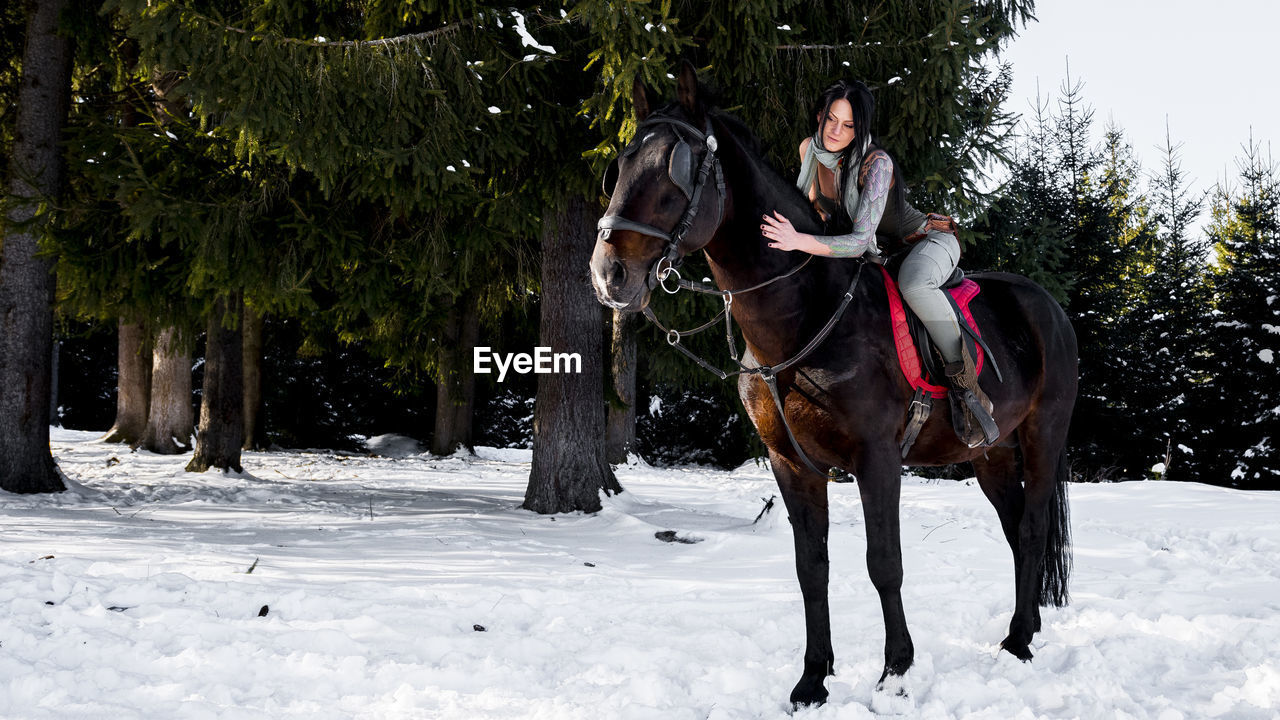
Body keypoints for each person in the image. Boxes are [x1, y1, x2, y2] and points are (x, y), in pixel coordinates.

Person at [759, 79, 998, 448]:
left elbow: (856, 242)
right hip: (879, 255)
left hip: (926, 242)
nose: (837, 131)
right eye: (831, 120)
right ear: (820, 117)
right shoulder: (809, 150)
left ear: (861, 128)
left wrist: (799, 240)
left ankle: (967, 390)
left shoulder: (876, 164)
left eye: (849, 125)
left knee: (915, 284)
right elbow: (814, 216)